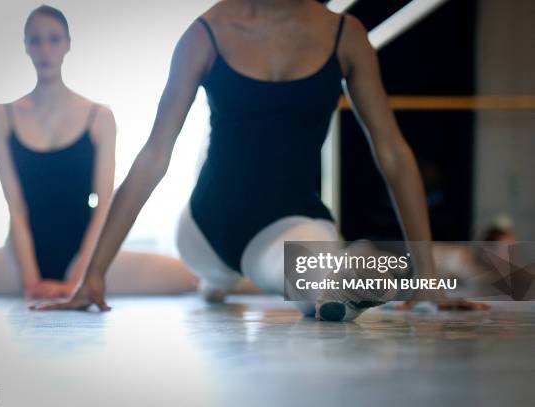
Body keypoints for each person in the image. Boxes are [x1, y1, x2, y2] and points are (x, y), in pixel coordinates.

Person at [31, 0, 487, 319]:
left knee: (322, 280)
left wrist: (427, 277)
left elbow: (392, 150)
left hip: (288, 225)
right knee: (222, 277)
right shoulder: (204, 34)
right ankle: (224, 280)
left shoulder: (346, 36)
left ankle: (405, 272)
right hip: (204, 227)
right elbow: (154, 155)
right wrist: (94, 275)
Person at [0, 5, 202, 299]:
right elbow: (16, 207)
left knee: (197, 278)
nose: (45, 49)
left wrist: (81, 274)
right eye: (35, 40)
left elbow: (104, 205)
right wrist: (31, 280)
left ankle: (249, 274)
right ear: (26, 47)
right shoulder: (1, 117)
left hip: (87, 256)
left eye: (54, 39)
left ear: (67, 44)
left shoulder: (99, 117)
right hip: (18, 261)